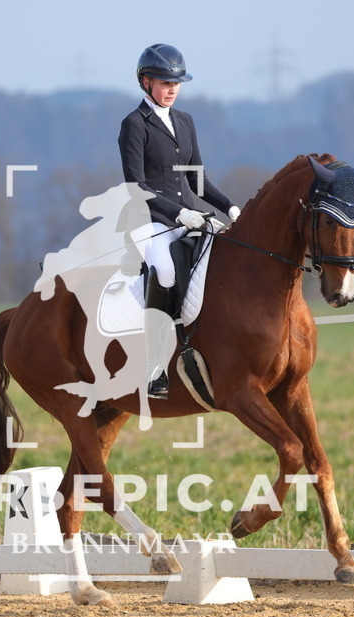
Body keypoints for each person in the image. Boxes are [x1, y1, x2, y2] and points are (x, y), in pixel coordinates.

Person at [118, 43, 241, 399]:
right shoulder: (134, 124)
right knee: (166, 271)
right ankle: (154, 367)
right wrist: (178, 213)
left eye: (176, 83)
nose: (172, 89)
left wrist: (230, 208)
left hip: (190, 217)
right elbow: (135, 187)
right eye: (164, 83)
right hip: (150, 221)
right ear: (146, 82)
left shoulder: (185, 121)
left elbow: (196, 179)